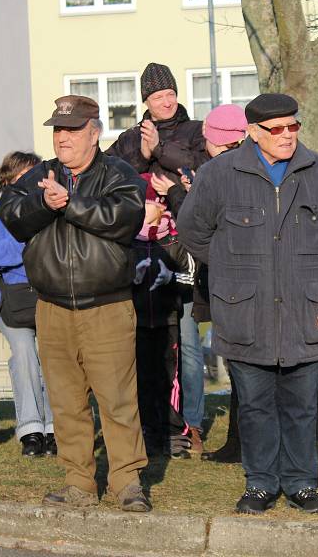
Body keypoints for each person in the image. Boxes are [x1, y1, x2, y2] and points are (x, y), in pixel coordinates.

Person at [177, 93, 318, 515]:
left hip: (306, 309)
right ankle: (260, 483)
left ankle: (301, 483)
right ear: (253, 133)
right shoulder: (220, 173)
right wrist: (232, 270)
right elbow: (193, 229)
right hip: (244, 310)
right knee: (256, 406)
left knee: (301, 405)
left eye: (293, 126)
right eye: (276, 129)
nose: (287, 135)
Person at [0, 95, 151, 512]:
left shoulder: (120, 173)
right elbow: (10, 216)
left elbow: (124, 218)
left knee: (117, 398)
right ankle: (79, 482)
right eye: (57, 130)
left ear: (94, 133)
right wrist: (41, 204)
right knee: (66, 402)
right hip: (51, 307)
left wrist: (71, 204)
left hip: (107, 306)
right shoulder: (41, 176)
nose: (62, 138)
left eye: (71, 130)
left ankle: (126, 481)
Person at [106, 62, 209, 452]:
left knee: (187, 343)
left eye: (170, 94)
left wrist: (161, 152)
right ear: (145, 101)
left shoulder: (196, 131)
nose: (166, 102)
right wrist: (143, 155)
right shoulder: (130, 138)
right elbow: (111, 176)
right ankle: (151, 422)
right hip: (137, 253)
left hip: (182, 250)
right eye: (157, 97)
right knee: (144, 346)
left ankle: (192, 422)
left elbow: (203, 169)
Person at [151, 103, 248, 461]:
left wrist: (179, 195)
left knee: (239, 364)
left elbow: (206, 223)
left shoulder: (223, 171)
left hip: (226, 282)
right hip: (224, 282)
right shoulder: (236, 168)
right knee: (238, 364)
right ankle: (239, 442)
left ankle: (233, 441)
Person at [0, 151, 55, 458]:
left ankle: (55, 427)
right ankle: (32, 429)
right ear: (10, 181)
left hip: (50, 298)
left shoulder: (51, 208)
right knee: (23, 351)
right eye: (26, 177)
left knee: (53, 353)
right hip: (12, 302)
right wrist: (25, 241)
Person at [131, 174, 193, 459]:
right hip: (136, 322)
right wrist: (133, 276)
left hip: (167, 320)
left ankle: (172, 429)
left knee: (169, 378)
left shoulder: (174, 240)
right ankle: (147, 430)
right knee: (141, 377)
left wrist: (171, 277)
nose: (155, 210)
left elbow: (192, 277)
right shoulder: (128, 242)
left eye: (158, 204)